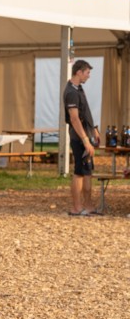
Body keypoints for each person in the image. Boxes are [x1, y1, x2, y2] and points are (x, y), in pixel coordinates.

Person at [64, 60, 100, 216]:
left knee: (87, 171)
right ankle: (76, 208)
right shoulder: (71, 92)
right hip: (79, 137)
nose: (89, 76)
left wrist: (94, 129)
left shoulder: (78, 88)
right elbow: (74, 119)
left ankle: (89, 206)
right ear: (79, 72)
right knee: (79, 171)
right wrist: (85, 140)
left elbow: (85, 112)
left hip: (86, 134)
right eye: (87, 73)